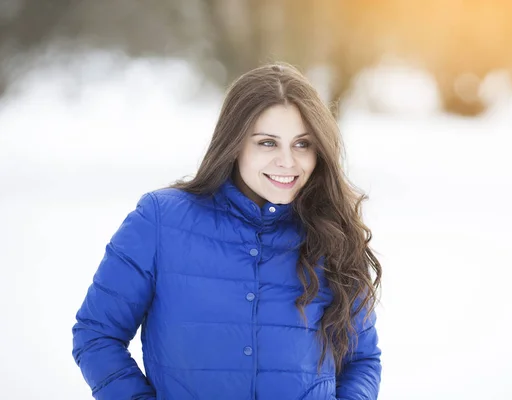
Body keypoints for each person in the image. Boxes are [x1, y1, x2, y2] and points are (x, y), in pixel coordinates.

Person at [72, 62, 382, 399]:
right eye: (267, 143)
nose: (287, 162)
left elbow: (361, 359)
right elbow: (96, 335)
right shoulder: (160, 221)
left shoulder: (332, 232)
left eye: (302, 144)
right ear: (235, 143)